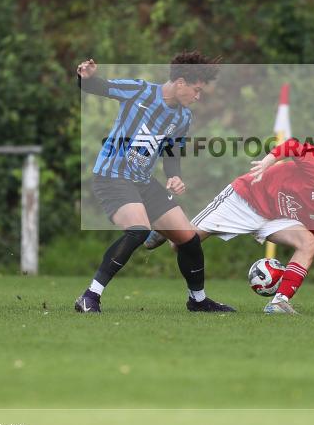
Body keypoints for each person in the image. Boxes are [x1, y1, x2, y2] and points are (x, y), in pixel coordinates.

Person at [74, 51, 235, 314]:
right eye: (196, 90)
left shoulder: (183, 117)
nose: (198, 96)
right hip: (113, 176)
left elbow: (171, 152)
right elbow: (97, 87)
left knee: (189, 239)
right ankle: (90, 297)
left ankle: (198, 300)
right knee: (138, 231)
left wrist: (174, 175)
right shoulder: (140, 91)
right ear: (180, 83)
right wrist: (86, 77)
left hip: (143, 182)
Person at [144, 138, 314, 315]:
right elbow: (295, 145)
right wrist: (269, 160)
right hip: (246, 197)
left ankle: (279, 302)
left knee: (309, 243)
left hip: (274, 218)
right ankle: (166, 223)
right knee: (180, 244)